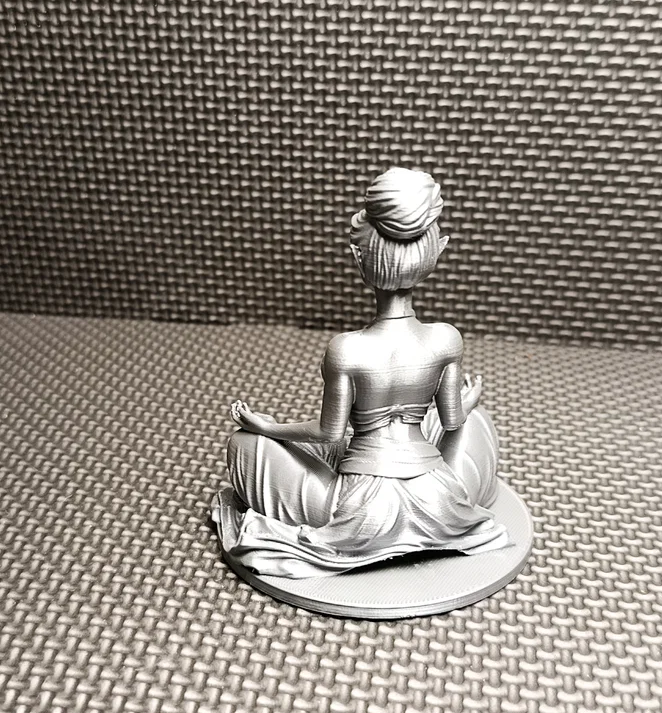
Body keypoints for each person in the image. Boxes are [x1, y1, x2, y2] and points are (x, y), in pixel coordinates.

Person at [212, 168, 510, 580]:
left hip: (362, 512)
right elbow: (454, 420)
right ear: (436, 252)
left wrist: (267, 426)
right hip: (441, 501)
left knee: (244, 443)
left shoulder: (347, 348)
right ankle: (433, 529)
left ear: (359, 257)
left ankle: (360, 536)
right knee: (476, 419)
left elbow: (328, 432)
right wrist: (469, 400)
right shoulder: (446, 338)